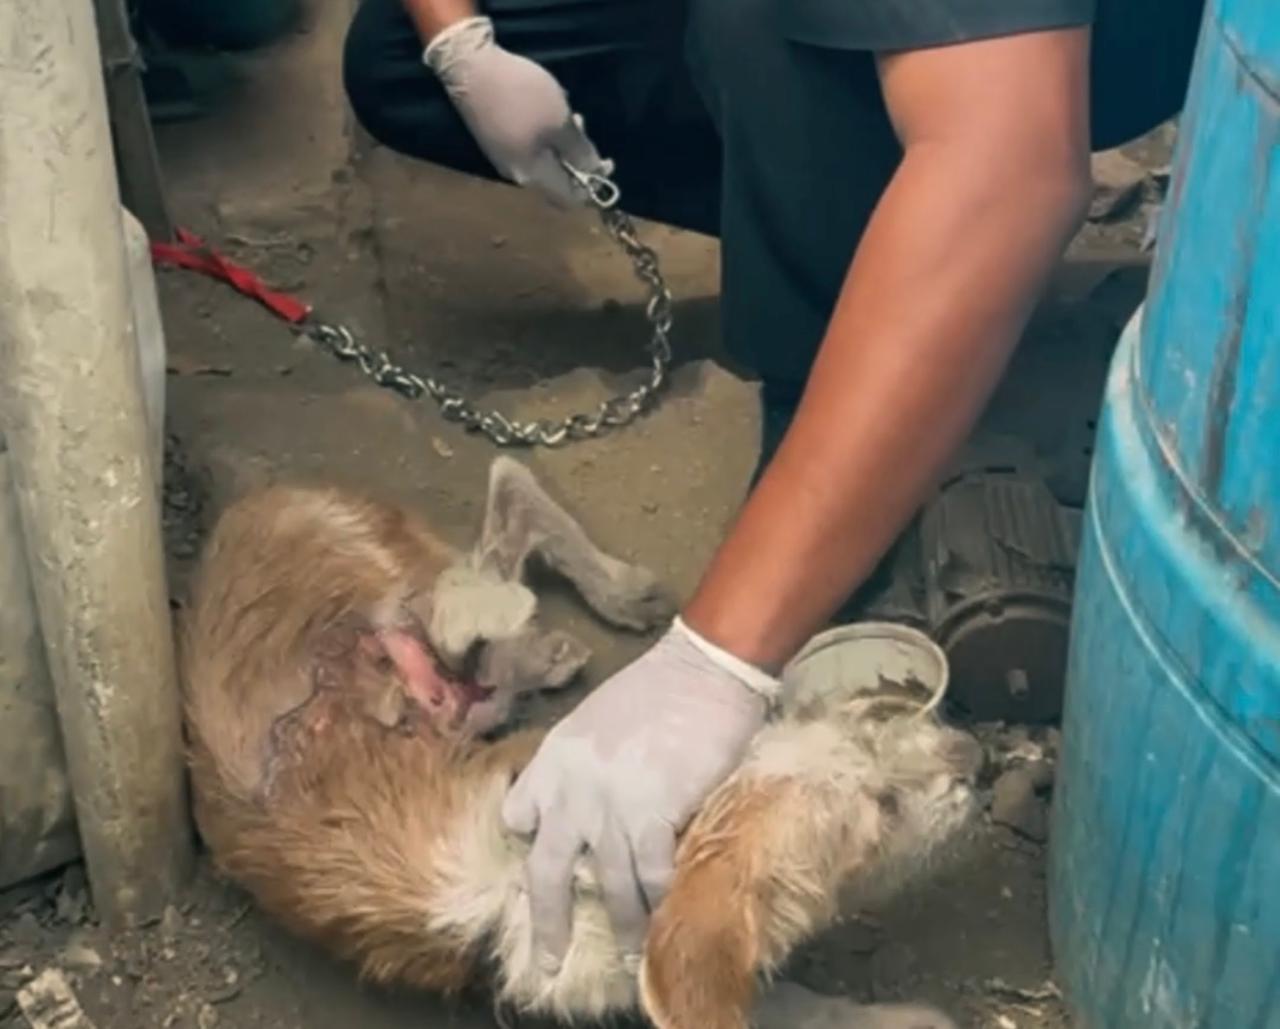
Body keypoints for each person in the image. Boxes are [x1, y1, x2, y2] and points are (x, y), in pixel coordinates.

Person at [343, 0, 1205, 973]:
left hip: (1081, 39)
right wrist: (458, 42)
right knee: (400, 63)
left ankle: (865, 368)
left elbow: (1010, 167)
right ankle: (875, 239)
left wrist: (713, 660)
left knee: (759, 29)